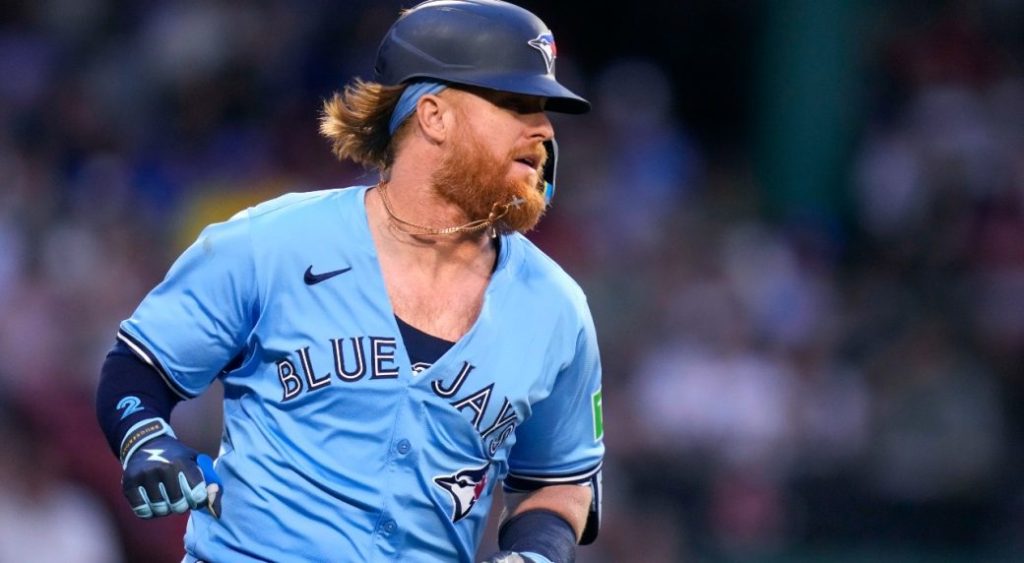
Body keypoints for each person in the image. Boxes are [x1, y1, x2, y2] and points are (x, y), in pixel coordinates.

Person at [95, 1, 604, 561]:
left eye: (546, 110)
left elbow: (560, 479)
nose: (543, 130)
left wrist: (537, 554)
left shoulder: (557, 309)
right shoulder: (272, 243)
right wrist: (146, 441)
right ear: (433, 115)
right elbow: (139, 367)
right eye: (517, 103)